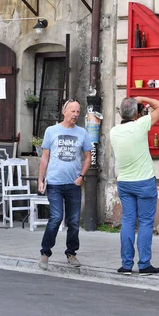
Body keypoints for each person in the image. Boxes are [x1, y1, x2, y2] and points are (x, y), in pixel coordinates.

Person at [110, 96, 159, 275]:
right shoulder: (140, 125)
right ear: (136, 113)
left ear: (121, 113)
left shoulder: (114, 131)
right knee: (145, 222)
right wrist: (142, 98)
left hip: (125, 182)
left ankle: (126, 264)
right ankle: (144, 264)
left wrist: (138, 109)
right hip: (143, 181)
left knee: (127, 221)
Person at [38, 99, 92, 271]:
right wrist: (41, 179)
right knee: (56, 218)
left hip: (73, 184)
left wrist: (81, 176)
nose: (76, 114)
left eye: (78, 112)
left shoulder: (82, 133)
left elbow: (88, 157)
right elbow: (45, 157)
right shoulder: (51, 131)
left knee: (74, 221)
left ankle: (71, 253)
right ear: (64, 112)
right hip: (54, 183)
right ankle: (45, 253)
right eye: (73, 111)